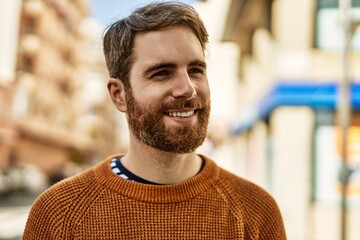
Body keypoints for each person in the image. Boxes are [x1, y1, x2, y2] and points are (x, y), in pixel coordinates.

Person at [23, 1, 286, 239]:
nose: (188, 88)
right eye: (161, 73)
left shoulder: (256, 212)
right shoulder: (59, 214)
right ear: (119, 94)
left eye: (195, 70)